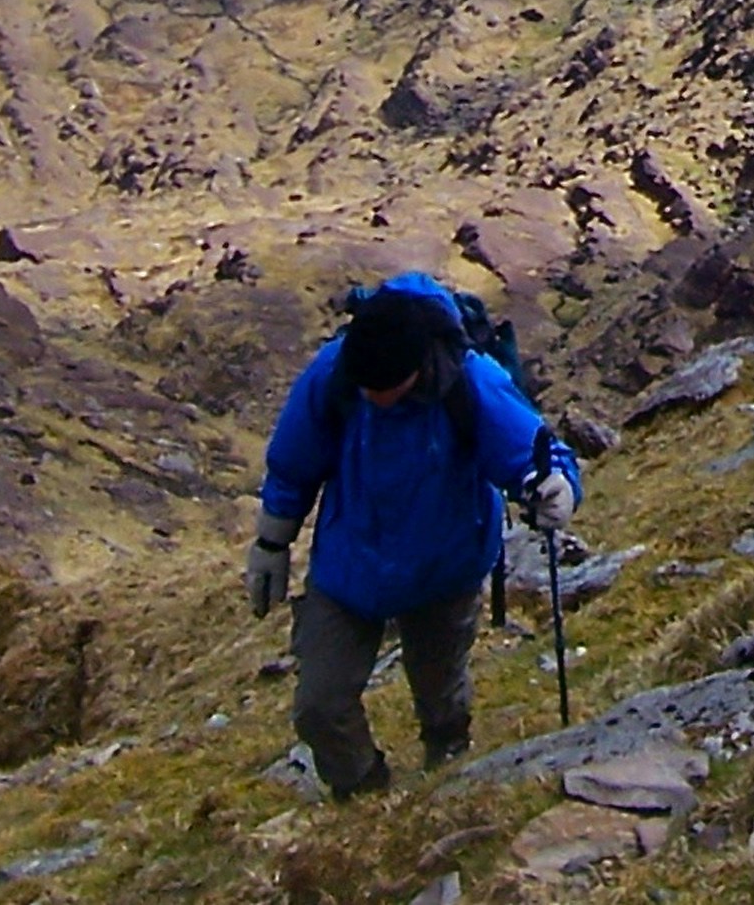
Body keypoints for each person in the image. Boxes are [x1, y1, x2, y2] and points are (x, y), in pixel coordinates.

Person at [243, 272, 578, 797]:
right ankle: (364, 795)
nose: (374, 399)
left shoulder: (472, 381)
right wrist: (271, 542)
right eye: (366, 389)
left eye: (386, 389)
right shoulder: (335, 372)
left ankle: (446, 769)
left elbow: (534, 452)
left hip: (444, 567)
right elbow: (293, 463)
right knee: (319, 705)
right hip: (350, 568)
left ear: (419, 367)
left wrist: (553, 489)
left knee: (440, 692)